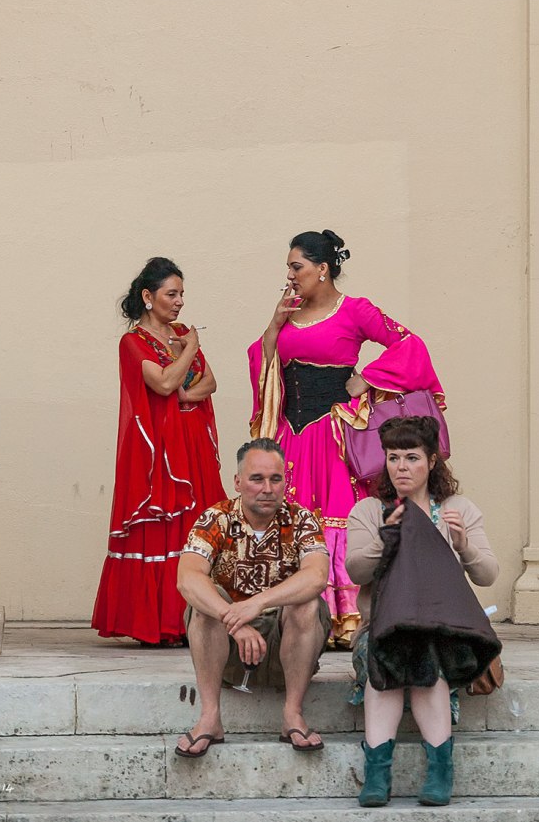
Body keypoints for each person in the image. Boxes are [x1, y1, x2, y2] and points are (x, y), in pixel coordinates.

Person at [248, 229, 444, 647]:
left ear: (322, 268)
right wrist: (275, 323)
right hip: (289, 434)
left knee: (336, 516)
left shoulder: (355, 310)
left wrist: (368, 378)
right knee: (289, 515)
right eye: (288, 267)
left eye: (296, 266)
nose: (290, 275)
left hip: (332, 435)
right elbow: (264, 361)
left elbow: (410, 345)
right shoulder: (288, 312)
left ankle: (343, 619)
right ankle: (289, 615)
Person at [346, 416, 499, 808]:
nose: (401, 467)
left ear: (432, 461)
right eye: (393, 457)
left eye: (412, 457)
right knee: (387, 652)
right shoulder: (369, 511)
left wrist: (463, 544)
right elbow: (356, 571)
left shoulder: (456, 509)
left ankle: (439, 772)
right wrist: (386, 538)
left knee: (425, 652)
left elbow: (487, 574)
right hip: (382, 629)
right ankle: (378, 774)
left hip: (447, 631)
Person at [92, 256, 225, 647]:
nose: (180, 301)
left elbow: (209, 383)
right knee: (162, 527)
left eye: (182, 293)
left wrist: (184, 392)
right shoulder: (133, 343)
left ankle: (195, 620)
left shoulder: (179, 333)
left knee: (195, 526)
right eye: (172, 294)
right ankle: (160, 624)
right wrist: (191, 351)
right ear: (148, 297)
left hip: (192, 443)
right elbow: (164, 383)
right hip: (159, 453)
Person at [175, 437, 331, 758]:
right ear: (238, 482)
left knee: (306, 602)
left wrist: (256, 604)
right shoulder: (216, 518)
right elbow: (187, 578)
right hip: (229, 653)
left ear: (285, 481)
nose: (267, 488)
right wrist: (233, 619)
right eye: (256, 479)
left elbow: (317, 575)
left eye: (275, 479)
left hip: (286, 649)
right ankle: (210, 718)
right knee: (204, 603)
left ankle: (292, 714)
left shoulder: (302, 519)